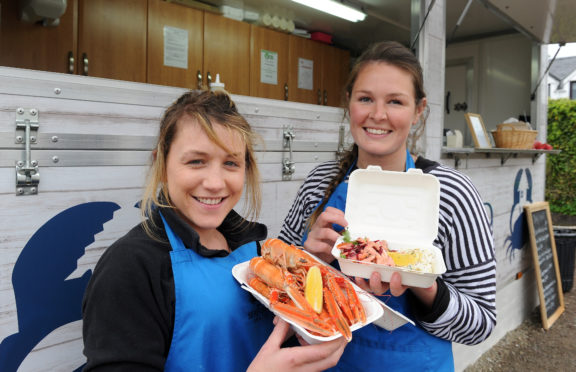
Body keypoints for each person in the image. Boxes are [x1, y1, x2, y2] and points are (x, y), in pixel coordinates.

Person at [82, 90, 347, 371]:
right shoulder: (130, 267)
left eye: (231, 163)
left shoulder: (255, 248)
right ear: (161, 164)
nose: (215, 183)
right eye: (196, 161)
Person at [279, 41, 496, 371]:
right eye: (365, 98)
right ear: (349, 103)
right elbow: (275, 290)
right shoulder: (319, 183)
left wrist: (424, 287)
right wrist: (308, 262)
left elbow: (481, 323)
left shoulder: (452, 194)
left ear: (418, 109)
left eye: (395, 101)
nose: (377, 115)